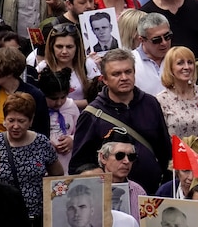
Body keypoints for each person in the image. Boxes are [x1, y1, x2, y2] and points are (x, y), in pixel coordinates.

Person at [69, 48, 172, 194]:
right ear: (104, 79)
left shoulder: (150, 103)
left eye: (128, 72)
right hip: (114, 198)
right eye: (116, 74)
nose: (124, 77)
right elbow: (78, 166)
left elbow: (165, 151)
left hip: (153, 195)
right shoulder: (92, 115)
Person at [0, 91, 63, 223]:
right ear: (4, 120)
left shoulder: (41, 142)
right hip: (5, 216)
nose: (15, 126)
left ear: (31, 121)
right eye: (11, 120)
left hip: (36, 217)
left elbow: (57, 174)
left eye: (21, 121)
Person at [156, 46, 198, 160]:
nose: (186, 67)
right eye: (180, 63)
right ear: (170, 68)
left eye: (190, 62)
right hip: (179, 165)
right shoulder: (162, 99)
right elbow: (163, 139)